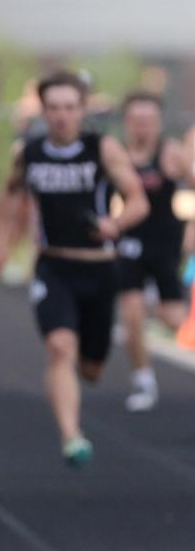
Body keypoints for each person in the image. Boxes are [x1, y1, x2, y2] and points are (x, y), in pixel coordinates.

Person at [0, 70, 148, 465]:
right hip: (54, 266)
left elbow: (138, 200)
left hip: (98, 268)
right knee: (60, 348)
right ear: (43, 111)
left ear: (82, 110)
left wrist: (116, 223)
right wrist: (0, 247)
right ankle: (72, 437)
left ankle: (82, 371)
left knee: (91, 368)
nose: (62, 116)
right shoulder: (28, 152)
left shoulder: (103, 149)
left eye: (70, 108)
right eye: (54, 108)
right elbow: (9, 198)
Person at [115, 91, 194, 411]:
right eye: (136, 120)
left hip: (166, 245)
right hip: (130, 244)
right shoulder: (117, 155)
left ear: (158, 122)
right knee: (131, 313)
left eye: (148, 120)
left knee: (173, 317)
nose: (142, 127)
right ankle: (143, 379)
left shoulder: (171, 153)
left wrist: (191, 228)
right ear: (127, 123)